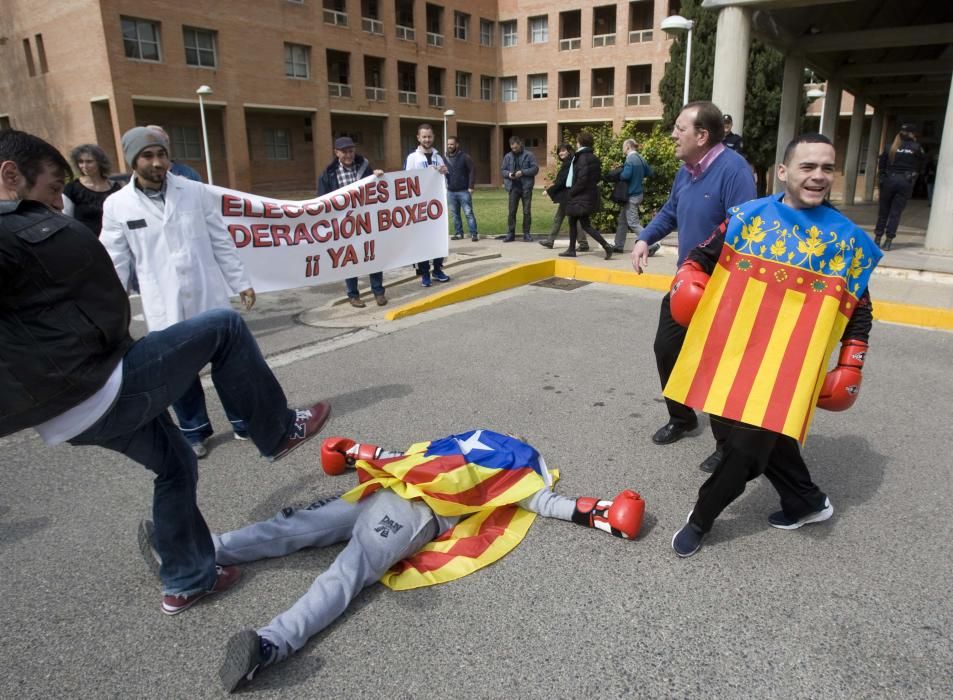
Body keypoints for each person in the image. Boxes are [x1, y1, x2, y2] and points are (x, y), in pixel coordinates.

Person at [0, 129, 333, 615]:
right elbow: (105, 269)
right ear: (11, 175)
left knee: (176, 465)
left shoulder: (191, 192)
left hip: (66, 415)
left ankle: (188, 579)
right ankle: (278, 429)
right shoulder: (27, 228)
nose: (57, 206)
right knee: (224, 328)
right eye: (53, 190)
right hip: (101, 385)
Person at [133, 429, 645, 692]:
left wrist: (598, 513)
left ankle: (269, 645)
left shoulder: (520, 471)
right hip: (381, 492)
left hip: (408, 519)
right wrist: (356, 453)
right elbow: (410, 454)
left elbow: (545, 501)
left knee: (345, 573)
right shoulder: (469, 443)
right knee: (289, 527)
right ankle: (191, 553)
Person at [665, 133, 881, 557]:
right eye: (808, 166)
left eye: (826, 168)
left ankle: (700, 520)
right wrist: (688, 278)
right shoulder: (747, 217)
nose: (818, 176)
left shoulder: (847, 241)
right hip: (733, 351)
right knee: (751, 437)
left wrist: (852, 362)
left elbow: (860, 309)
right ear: (783, 172)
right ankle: (806, 501)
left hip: (789, 365)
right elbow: (704, 255)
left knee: (743, 452)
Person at [101, 127, 256, 459]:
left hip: (206, 292)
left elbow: (220, 239)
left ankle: (243, 422)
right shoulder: (117, 205)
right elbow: (115, 261)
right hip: (163, 301)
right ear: (132, 160)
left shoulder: (195, 191)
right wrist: (112, 310)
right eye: (148, 155)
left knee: (226, 362)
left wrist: (240, 281)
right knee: (177, 370)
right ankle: (195, 430)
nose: (157, 162)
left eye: (161, 154)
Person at [631, 101, 757, 473]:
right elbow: (671, 210)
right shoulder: (686, 171)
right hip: (685, 283)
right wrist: (644, 238)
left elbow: (744, 229)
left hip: (722, 289)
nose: (673, 134)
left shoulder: (734, 171)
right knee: (666, 348)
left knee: (716, 365)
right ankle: (682, 417)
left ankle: (726, 444)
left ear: (702, 136)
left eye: (679, 128)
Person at [317, 136, 387, 307]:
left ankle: (378, 292)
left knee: (372, 255)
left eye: (351, 150)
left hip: (366, 220)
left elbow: (376, 189)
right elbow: (322, 200)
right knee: (350, 258)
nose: (349, 154)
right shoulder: (329, 173)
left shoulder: (364, 167)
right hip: (345, 224)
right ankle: (353, 295)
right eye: (344, 151)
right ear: (337, 153)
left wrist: (378, 176)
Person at [405, 123, 451, 287]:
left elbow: (445, 180)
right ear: (418, 138)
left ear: (433, 137)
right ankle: (424, 273)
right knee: (423, 241)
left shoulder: (439, 157)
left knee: (438, 238)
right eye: (424, 136)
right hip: (420, 206)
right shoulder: (413, 158)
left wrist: (445, 172)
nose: (427, 139)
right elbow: (408, 181)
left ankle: (437, 269)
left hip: (437, 205)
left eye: (429, 136)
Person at [558, 131, 614, 260]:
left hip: (580, 195)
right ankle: (571, 249)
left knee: (585, 225)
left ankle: (606, 246)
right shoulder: (593, 157)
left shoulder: (581, 157)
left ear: (580, 142)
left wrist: (572, 192)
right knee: (572, 221)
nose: (576, 144)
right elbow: (597, 177)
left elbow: (582, 179)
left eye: (577, 141)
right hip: (587, 194)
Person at [874, 123, 925, 251]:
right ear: (912, 134)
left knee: (883, 212)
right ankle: (889, 241)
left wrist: (882, 180)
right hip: (905, 182)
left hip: (889, 181)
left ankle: (877, 239)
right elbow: (922, 165)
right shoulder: (916, 148)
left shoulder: (889, 147)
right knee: (895, 214)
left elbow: (881, 167)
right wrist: (913, 178)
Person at [63, 143, 121, 236]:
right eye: (81, 162)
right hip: (85, 242)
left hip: (112, 240)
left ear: (100, 162)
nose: (84, 166)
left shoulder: (115, 187)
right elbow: (66, 219)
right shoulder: (71, 189)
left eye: (89, 161)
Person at [539, 143, 589, 251]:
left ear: (569, 151)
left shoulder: (569, 163)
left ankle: (583, 243)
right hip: (568, 195)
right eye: (559, 151)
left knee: (572, 219)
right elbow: (561, 180)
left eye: (563, 150)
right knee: (560, 218)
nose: (561, 153)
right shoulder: (569, 162)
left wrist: (549, 190)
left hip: (569, 195)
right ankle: (550, 241)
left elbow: (562, 181)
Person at [611, 138, 656, 255]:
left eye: (623, 146)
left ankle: (652, 244)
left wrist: (617, 172)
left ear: (627, 147)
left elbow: (625, 176)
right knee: (622, 221)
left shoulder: (630, 159)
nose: (622, 149)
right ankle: (618, 246)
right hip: (638, 193)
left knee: (633, 223)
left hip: (631, 195)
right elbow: (649, 172)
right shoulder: (641, 158)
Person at [500, 135, 539, 242]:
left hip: (526, 187)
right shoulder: (508, 156)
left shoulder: (529, 155)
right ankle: (510, 234)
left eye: (515, 148)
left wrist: (522, 172)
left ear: (520, 144)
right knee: (512, 211)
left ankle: (526, 234)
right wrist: (509, 174)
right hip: (513, 188)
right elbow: (502, 170)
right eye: (512, 148)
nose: (514, 150)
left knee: (526, 212)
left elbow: (535, 169)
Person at [444, 136, 479, 242]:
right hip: (450, 191)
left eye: (452, 144)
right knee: (455, 215)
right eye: (448, 144)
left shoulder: (465, 157)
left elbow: (472, 171)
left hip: (464, 191)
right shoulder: (444, 158)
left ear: (457, 145)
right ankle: (459, 233)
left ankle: (474, 234)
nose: (450, 146)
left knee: (468, 213)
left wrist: (471, 186)